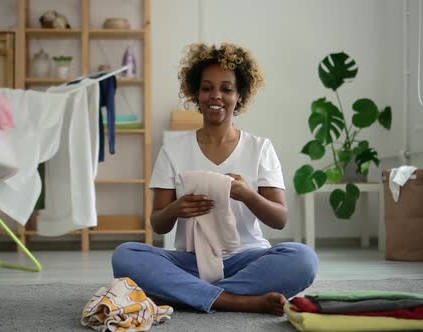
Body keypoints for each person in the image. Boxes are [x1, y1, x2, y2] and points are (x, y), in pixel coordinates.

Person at [112, 42, 318, 316]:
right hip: (189, 260)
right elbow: (158, 224)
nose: (215, 96)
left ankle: (189, 294)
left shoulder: (260, 148)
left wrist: (248, 195)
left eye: (226, 89)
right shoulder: (173, 150)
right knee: (125, 255)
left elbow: (279, 219)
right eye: (207, 88)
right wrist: (176, 209)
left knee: (303, 259)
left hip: (246, 259)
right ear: (196, 93)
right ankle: (234, 301)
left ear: (240, 95)